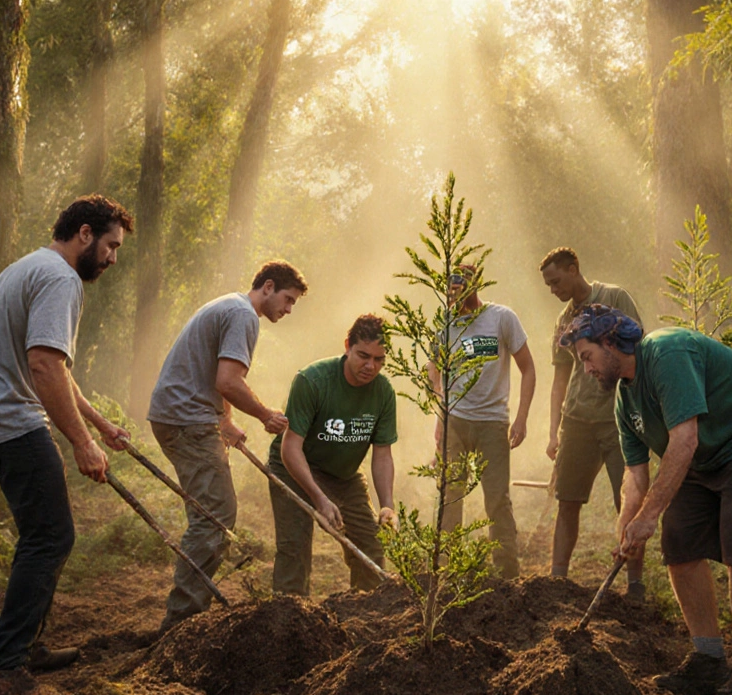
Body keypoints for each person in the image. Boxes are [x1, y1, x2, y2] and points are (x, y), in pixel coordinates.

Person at [561, 305, 732, 695]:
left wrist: (650, 515)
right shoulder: (624, 402)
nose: (586, 370)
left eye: (586, 357)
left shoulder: (666, 354)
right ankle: (707, 660)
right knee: (679, 547)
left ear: (611, 342)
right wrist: (627, 527)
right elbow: (634, 476)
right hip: (702, 461)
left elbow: (684, 439)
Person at [0, 195, 134, 676]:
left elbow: (55, 367)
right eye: (111, 246)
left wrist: (98, 425)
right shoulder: (61, 279)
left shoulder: (28, 266)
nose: (113, 258)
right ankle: (8, 665)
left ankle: (25, 648)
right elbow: (44, 365)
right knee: (51, 537)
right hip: (8, 418)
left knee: (43, 535)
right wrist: (81, 443)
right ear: (84, 234)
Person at [147, 260, 306, 630]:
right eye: (287, 299)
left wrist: (226, 421)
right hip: (188, 421)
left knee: (212, 516)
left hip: (182, 416)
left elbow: (211, 375)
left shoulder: (230, 306)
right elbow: (228, 381)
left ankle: (186, 614)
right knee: (214, 520)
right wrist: (265, 414)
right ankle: (182, 623)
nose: (287, 309)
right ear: (267, 287)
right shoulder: (244, 315)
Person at [267, 314, 398, 595]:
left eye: (379, 359)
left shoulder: (383, 392)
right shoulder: (313, 380)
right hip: (294, 466)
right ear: (347, 346)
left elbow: (383, 454)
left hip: (343, 473)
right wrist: (319, 499)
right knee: (295, 546)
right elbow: (291, 447)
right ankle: (288, 617)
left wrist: (387, 505)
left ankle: (365, 615)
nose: (370, 366)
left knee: (370, 547)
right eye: (363, 356)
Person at [538, 247, 644, 591]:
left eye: (556, 281)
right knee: (567, 500)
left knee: (627, 500)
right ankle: (558, 579)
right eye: (549, 286)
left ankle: (634, 584)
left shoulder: (615, 297)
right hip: (577, 420)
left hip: (618, 418)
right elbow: (559, 379)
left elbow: (639, 350)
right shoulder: (563, 321)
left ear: (574, 269)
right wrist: (554, 431)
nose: (554, 290)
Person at [430, 266, 536, 579]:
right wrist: (440, 407)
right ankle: (447, 573)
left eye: (461, 287)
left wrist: (521, 417)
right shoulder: (445, 323)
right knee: (451, 494)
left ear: (475, 286)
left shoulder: (501, 318)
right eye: (450, 289)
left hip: (492, 421)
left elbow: (528, 368)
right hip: (455, 421)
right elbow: (434, 369)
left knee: (497, 498)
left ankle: (506, 573)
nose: (455, 296)